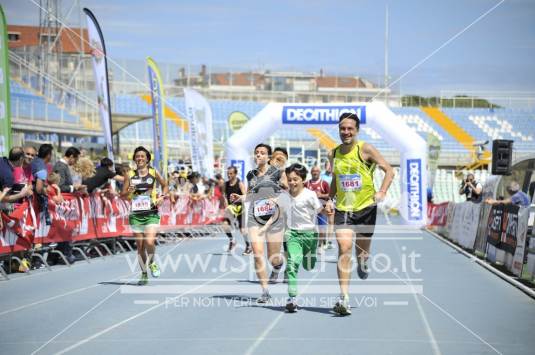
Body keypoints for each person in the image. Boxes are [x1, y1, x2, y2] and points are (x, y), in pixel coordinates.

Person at [325, 112, 394, 316]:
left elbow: (389, 171)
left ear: (356, 130)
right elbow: (336, 180)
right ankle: (344, 297)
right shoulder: (333, 153)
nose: (345, 132)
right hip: (344, 209)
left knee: (361, 252)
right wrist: (330, 198)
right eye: (342, 128)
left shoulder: (365, 149)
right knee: (344, 247)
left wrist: (381, 192)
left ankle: (364, 261)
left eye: (349, 129)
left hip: (366, 208)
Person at [229, 143, 288, 303]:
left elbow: (288, 190)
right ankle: (265, 291)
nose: (258, 155)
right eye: (256, 153)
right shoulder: (251, 175)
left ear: (269, 157)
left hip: (274, 218)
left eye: (262, 153)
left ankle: (278, 266)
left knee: (273, 258)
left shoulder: (277, 172)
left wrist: (280, 194)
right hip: (255, 217)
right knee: (257, 253)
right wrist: (240, 198)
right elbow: (250, 195)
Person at [264, 163, 323, 313]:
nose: (292, 182)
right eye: (290, 180)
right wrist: (265, 226)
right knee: (292, 264)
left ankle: (311, 256)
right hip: (292, 234)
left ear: (303, 179)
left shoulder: (310, 195)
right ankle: (292, 298)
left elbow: (320, 210)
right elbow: (277, 213)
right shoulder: (284, 196)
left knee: (309, 265)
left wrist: (328, 211)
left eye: (295, 179)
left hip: (310, 235)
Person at [121, 146, 168, 285]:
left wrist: (162, 196)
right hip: (136, 215)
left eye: (142, 156)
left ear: (147, 159)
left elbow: (165, 185)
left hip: (151, 213)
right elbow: (122, 194)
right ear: (134, 159)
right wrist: (129, 190)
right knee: (140, 247)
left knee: (149, 241)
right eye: (137, 156)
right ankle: (143, 273)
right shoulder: (129, 174)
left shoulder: (153, 172)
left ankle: (152, 262)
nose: (140, 158)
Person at [223, 166, 251, 254]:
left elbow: (246, 197)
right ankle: (232, 240)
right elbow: (224, 196)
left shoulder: (240, 184)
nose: (229, 175)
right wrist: (227, 206)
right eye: (228, 173)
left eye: (231, 173)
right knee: (224, 225)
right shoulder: (225, 184)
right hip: (230, 208)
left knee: (242, 230)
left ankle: (248, 246)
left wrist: (238, 200)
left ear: (235, 174)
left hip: (240, 209)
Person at [305, 166, 331, 251]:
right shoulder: (307, 184)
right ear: (311, 172)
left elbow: (331, 195)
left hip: (321, 209)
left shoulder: (324, 183)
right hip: (310, 210)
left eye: (317, 171)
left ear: (320, 173)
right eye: (313, 171)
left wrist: (321, 195)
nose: (315, 172)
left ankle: (321, 244)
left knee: (322, 228)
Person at [31, 144, 54, 225]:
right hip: (32, 203)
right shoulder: (42, 168)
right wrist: (44, 191)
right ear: (48, 155)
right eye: (51, 154)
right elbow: (38, 188)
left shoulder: (34, 161)